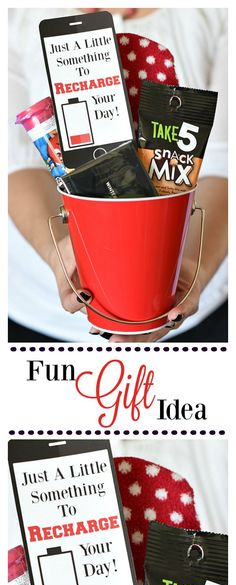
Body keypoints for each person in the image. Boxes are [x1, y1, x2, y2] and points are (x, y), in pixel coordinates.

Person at [8, 7, 228, 343]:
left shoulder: (215, 13)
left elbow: (226, 164)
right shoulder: (14, 15)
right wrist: (58, 254)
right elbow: (12, 162)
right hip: (32, 310)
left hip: (196, 308)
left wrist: (188, 266)